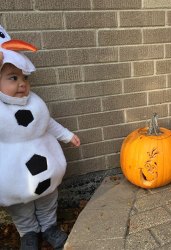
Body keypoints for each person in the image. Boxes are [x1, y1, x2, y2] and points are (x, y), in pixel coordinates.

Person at [0, 33, 80, 249]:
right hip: (12, 172)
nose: (22, 84)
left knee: (47, 198)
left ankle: (49, 226)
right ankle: (28, 233)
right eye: (13, 78)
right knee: (21, 207)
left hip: (44, 165)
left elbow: (48, 123)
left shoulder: (35, 103)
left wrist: (67, 135)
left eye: (25, 78)